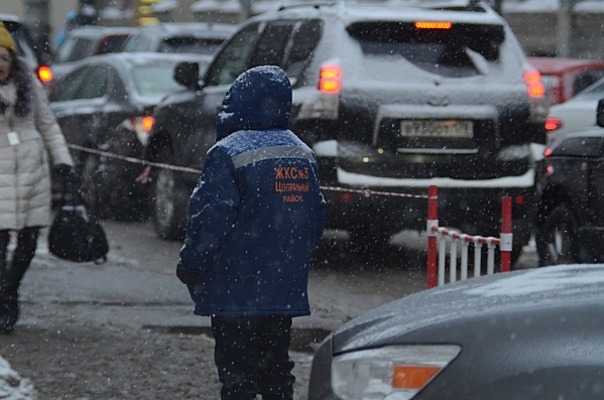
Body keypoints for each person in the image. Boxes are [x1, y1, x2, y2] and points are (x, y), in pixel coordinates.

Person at [176, 65, 326, 400]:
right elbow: (315, 216)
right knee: (276, 370)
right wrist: (293, 260)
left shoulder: (228, 152)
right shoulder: (302, 153)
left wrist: (193, 263)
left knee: (236, 373)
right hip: (281, 289)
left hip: (235, 290)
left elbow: (210, 217)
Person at [0, 23, 75, 333]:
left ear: (13, 60)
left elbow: (48, 125)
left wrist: (63, 161)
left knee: (29, 240)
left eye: (3, 57)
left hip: (32, 172)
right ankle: (4, 300)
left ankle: (10, 290)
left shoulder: (29, 85)